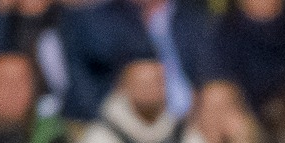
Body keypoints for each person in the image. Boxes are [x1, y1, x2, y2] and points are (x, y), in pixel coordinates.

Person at [59, 0, 214, 123]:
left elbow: (212, 74)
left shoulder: (195, 17)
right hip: (121, 121)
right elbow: (84, 88)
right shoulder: (97, 20)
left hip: (193, 119)